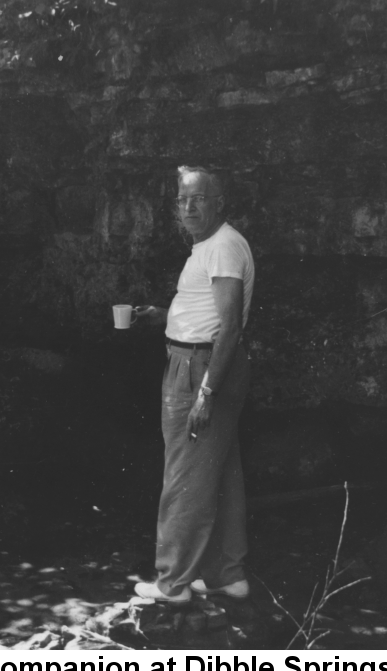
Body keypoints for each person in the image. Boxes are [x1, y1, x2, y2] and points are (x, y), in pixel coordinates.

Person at [132, 165, 254, 603]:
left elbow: (229, 327)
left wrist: (205, 392)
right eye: (183, 200)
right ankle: (227, 575)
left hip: (201, 369)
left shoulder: (221, 248)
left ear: (218, 202)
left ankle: (173, 583)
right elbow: (209, 313)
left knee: (184, 474)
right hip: (203, 361)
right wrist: (166, 317)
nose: (188, 207)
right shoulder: (212, 246)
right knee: (220, 472)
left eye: (199, 198)